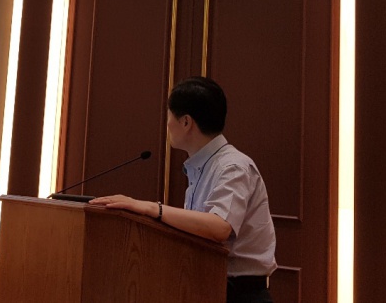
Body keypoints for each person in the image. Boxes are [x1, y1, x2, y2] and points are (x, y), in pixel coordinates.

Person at [90, 76, 276, 303]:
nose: (167, 124)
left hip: (240, 294)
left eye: (169, 115)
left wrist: (152, 209)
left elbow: (219, 227)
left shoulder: (232, 166)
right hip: (207, 285)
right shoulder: (201, 166)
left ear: (186, 122)